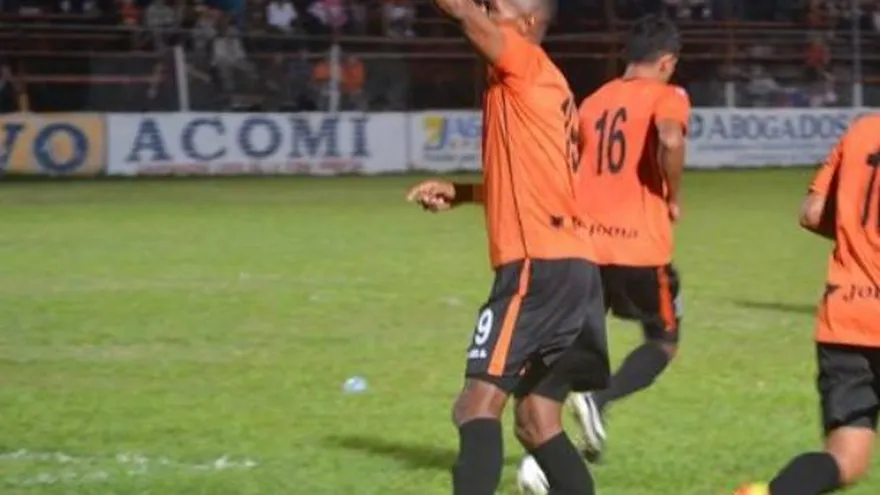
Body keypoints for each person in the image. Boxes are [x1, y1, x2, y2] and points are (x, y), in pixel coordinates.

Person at [405, 0, 609, 493]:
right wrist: (467, 193)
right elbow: (542, 181)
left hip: (537, 268)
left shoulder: (523, 61)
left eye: (497, 5)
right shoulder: (548, 86)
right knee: (537, 420)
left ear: (528, 23)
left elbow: (462, 15)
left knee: (475, 404)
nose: (486, 9)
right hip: (574, 269)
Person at [733, 115, 880, 495]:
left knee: (846, 457)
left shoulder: (862, 132)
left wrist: (855, 236)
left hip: (846, 316)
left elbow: (812, 211)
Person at [567, 14, 689, 463]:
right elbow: (671, 140)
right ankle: (597, 403)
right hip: (639, 246)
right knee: (663, 342)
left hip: (585, 246)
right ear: (665, 61)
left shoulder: (593, 101)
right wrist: (672, 195)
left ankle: (542, 458)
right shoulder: (667, 94)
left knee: (578, 349)